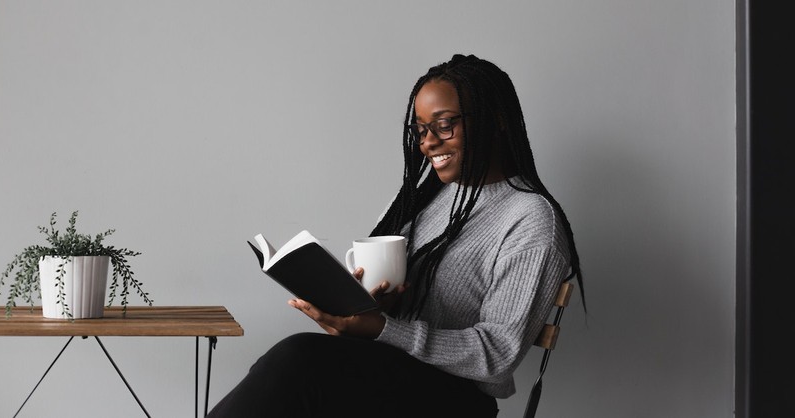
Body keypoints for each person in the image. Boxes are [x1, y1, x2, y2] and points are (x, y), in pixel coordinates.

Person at [207, 53, 585, 418]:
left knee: (297, 362)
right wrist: (367, 311)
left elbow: (497, 355)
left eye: (444, 124)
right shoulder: (425, 198)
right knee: (284, 372)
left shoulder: (531, 220)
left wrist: (385, 329)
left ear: (497, 119)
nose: (427, 142)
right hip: (392, 375)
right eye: (420, 130)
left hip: (453, 400)